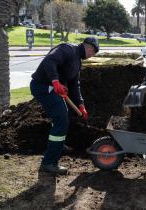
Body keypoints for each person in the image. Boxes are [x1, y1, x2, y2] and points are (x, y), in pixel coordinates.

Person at [30, 37, 99, 175]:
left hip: (52, 88)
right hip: (43, 86)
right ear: (89, 47)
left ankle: (57, 146)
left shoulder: (77, 63)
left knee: (62, 117)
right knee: (62, 120)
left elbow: (74, 85)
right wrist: (55, 81)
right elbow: (50, 60)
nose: (92, 55)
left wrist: (81, 104)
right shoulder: (67, 49)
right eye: (93, 52)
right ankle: (49, 162)